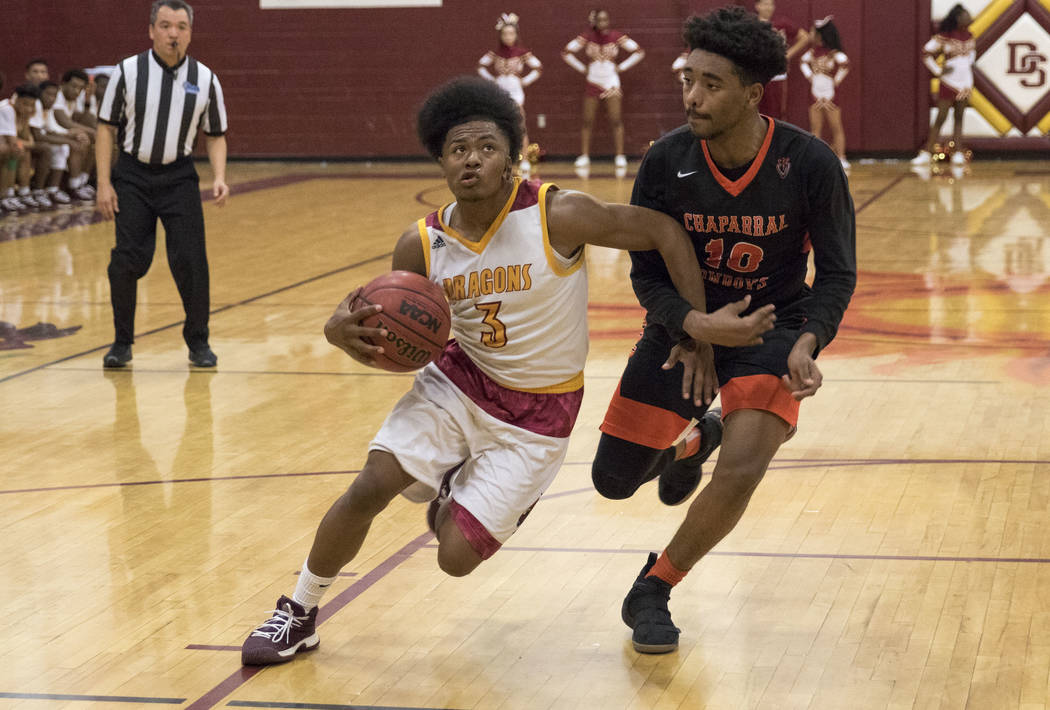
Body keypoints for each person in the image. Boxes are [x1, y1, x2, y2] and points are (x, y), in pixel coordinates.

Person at [239, 75, 776, 667]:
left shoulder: (558, 215)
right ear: (440, 161)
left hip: (537, 417)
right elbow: (401, 346)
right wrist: (340, 337)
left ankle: (449, 489)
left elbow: (662, 231)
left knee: (453, 557)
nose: (471, 160)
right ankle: (300, 610)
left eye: (486, 147)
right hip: (456, 384)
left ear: (513, 155)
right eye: (457, 149)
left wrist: (691, 330)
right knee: (371, 484)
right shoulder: (421, 245)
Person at [592, 6, 856, 654]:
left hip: (773, 325)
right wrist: (691, 326)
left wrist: (807, 341)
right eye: (688, 79)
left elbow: (838, 275)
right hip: (686, 327)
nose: (692, 96)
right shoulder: (664, 162)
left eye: (710, 84)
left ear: (751, 94)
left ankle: (653, 587)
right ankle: (694, 440)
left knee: (742, 469)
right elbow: (645, 272)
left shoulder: (812, 164)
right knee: (614, 481)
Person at [96, 0, 229, 369]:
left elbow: (216, 134)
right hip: (133, 176)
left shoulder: (205, 78)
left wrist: (219, 177)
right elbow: (105, 128)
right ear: (151, 30)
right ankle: (122, 343)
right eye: (167, 25)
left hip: (179, 177)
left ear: (190, 33)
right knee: (127, 260)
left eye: (182, 26)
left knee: (191, 261)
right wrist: (104, 183)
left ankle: (198, 342)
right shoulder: (127, 71)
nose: (174, 33)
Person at [561, 8, 645, 172]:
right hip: (593, 80)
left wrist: (621, 67)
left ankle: (620, 156)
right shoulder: (587, 37)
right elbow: (566, 52)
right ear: (594, 22)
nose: (603, 23)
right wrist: (582, 68)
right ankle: (584, 156)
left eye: (605, 20)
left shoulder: (616, 36)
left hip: (611, 82)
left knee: (616, 119)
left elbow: (639, 51)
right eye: (600, 20)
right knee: (587, 120)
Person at [477, 12, 542, 177]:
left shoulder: (521, 52)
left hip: (516, 92)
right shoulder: (495, 53)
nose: (508, 36)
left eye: (511, 33)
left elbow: (538, 67)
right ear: (500, 35)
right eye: (505, 33)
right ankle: (500, 159)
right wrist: (492, 79)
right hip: (499, 91)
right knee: (497, 126)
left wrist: (525, 81)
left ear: (516, 35)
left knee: (520, 125)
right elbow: (481, 66)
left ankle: (525, 160)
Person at [912, 4, 975, 167]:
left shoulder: (970, 36)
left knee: (959, 117)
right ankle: (927, 152)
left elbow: (971, 58)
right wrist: (938, 70)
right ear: (957, 18)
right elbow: (926, 53)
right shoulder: (944, 36)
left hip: (965, 83)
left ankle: (958, 152)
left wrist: (964, 67)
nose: (968, 17)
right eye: (965, 15)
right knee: (941, 116)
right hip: (948, 81)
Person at [800, 16, 850, 170]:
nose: (811, 34)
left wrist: (836, 80)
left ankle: (841, 157)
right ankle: (816, 160)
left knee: (836, 126)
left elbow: (845, 64)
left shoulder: (833, 53)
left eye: (813, 32)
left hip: (831, 94)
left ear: (820, 34)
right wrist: (810, 76)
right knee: (815, 129)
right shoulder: (812, 52)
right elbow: (802, 62)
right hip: (814, 92)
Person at [753, 0, 808, 120]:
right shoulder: (751, 25)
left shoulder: (781, 24)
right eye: (765, 4)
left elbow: (805, 37)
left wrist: (787, 55)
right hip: (757, 73)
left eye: (771, 4)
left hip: (777, 74)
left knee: (777, 110)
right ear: (757, 6)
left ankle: (776, 137)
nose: (769, 7)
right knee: (757, 109)